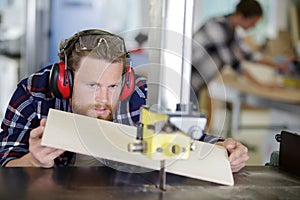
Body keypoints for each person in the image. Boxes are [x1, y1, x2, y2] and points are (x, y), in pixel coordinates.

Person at [0, 29, 248, 172]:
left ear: (125, 82)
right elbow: (6, 162)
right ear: (65, 80)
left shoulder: (137, 96)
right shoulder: (33, 94)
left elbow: (188, 142)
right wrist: (33, 160)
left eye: (112, 86)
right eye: (93, 86)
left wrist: (226, 149)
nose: (104, 99)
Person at [191, 0, 292, 100]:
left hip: (196, 84)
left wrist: (277, 66)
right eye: (253, 23)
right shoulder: (217, 26)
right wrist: (261, 85)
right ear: (240, 16)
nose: (253, 27)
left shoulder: (231, 31)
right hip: (188, 82)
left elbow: (248, 55)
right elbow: (234, 63)